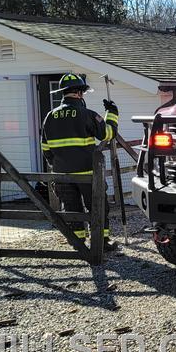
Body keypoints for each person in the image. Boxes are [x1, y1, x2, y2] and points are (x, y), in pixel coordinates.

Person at [41, 74, 119, 243]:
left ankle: (78, 242)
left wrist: (57, 164)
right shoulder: (86, 114)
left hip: (62, 174)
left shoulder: (49, 117)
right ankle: (101, 243)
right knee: (97, 207)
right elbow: (108, 134)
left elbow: (45, 148)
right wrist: (111, 114)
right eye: (83, 92)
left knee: (71, 209)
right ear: (78, 93)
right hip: (88, 173)